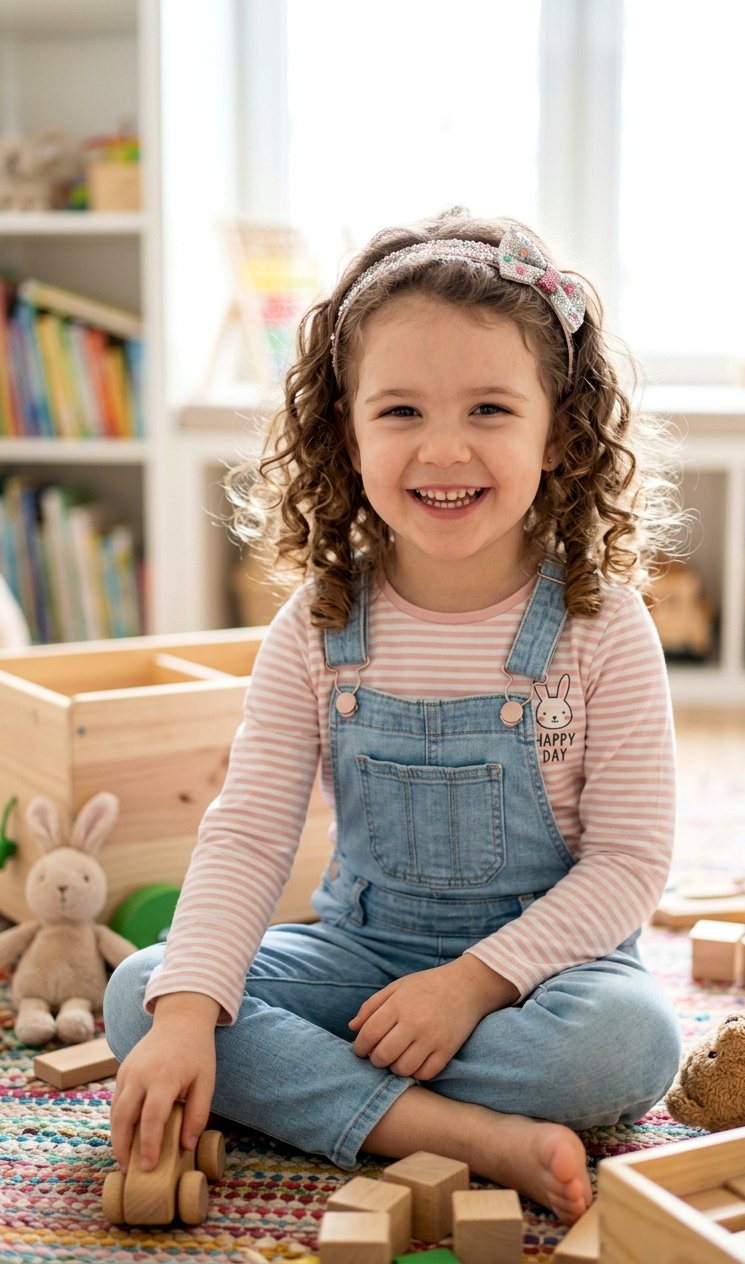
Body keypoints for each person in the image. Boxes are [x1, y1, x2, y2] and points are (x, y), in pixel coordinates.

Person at [105, 208, 683, 1225]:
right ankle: (458, 1131)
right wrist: (190, 1013)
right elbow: (248, 834)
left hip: (543, 974)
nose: (443, 448)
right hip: (361, 960)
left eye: (490, 409)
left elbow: (628, 865)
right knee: (144, 996)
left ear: (559, 431)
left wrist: (470, 985)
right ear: (348, 432)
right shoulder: (316, 623)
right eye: (401, 410)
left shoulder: (602, 623)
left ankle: (333, 1092)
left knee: (625, 1047)